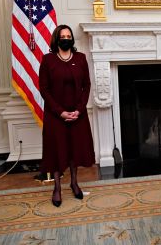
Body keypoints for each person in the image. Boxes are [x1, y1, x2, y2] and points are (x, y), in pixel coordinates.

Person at [39, 24, 95, 207]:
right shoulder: (48, 60)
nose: (66, 38)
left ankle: (74, 182)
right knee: (57, 151)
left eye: (68, 35)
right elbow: (44, 89)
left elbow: (86, 85)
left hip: (78, 113)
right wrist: (61, 112)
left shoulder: (80, 58)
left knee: (75, 150)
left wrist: (79, 109)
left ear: (72, 39)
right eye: (62, 36)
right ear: (57, 39)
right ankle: (57, 187)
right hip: (56, 115)